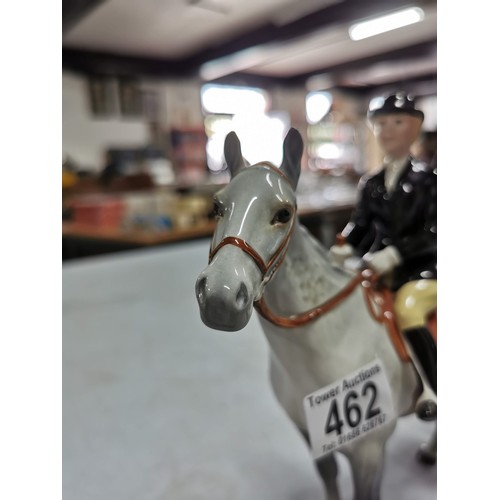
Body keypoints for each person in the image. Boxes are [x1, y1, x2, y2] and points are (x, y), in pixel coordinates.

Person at [330, 92, 437, 421]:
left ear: (415, 127)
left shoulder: (431, 179)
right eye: (380, 123)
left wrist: (396, 254)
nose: (387, 130)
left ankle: (434, 388)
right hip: (378, 269)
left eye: (397, 122)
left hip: (425, 271)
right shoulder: (371, 182)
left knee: (407, 308)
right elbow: (359, 225)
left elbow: (437, 231)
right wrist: (343, 246)